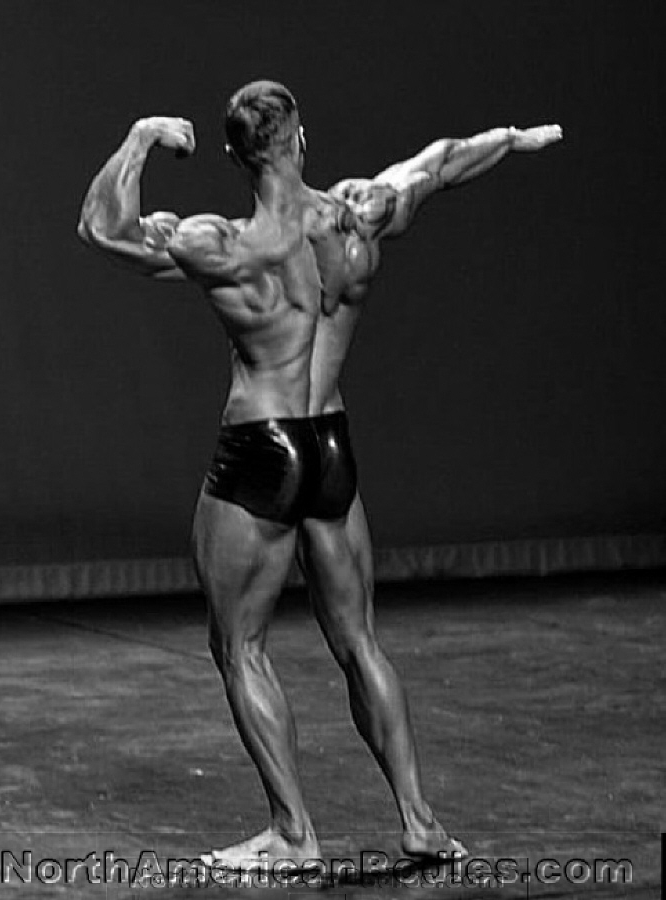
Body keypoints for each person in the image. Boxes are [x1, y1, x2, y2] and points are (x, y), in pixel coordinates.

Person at [78, 80, 562, 872]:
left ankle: (295, 835)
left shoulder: (221, 242)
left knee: (239, 646)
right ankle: (420, 823)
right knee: (358, 639)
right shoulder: (355, 215)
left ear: (234, 154)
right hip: (330, 444)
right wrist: (509, 137)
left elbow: (103, 229)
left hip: (260, 447)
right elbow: (437, 165)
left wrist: (140, 138)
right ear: (300, 140)